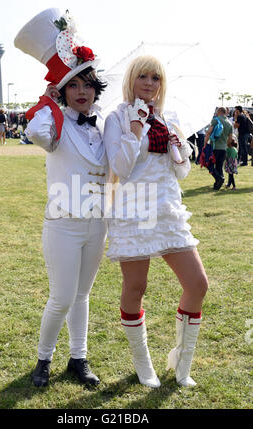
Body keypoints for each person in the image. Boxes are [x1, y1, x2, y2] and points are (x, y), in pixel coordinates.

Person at [15, 7, 109, 388]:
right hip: (63, 222)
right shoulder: (54, 121)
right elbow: (37, 133)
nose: (82, 92)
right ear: (63, 89)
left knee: (83, 295)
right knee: (62, 298)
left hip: (97, 222)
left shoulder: (105, 122)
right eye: (74, 86)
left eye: (87, 84)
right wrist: (49, 99)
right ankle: (43, 359)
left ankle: (78, 358)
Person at [103, 55, 208, 388]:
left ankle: (182, 361)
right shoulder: (117, 118)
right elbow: (120, 167)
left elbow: (180, 171)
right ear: (131, 79)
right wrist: (135, 131)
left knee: (197, 284)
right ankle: (143, 364)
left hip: (168, 210)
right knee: (136, 288)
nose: (149, 83)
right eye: (143, 76)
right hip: (135, 211)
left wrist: (180, 150)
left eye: (156, 78)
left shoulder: (168, 117)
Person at [204, 107, 233, 190]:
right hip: (224, 148)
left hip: (215, 147)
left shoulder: (216, 120)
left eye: (217, 111)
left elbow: (209, 132)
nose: (216, 113)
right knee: (219, 166)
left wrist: (205, 143)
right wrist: (226, 145)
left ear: (219, 111)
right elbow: (230, 138)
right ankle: (218, 184)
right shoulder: (229, 123)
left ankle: (219, 178)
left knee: (209, 164)